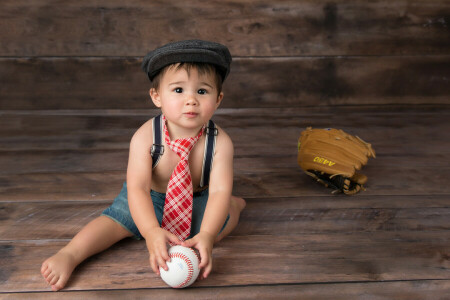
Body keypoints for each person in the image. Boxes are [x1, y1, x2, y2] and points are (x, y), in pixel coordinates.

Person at [41, 40, 246, 291]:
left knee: (221, 217)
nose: (191, 100)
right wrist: (150, 230)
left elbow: (218, 192)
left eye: (202, 92)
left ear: (218, 99)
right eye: (178, 90)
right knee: (116, 220)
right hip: (149, 197)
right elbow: (137, 187)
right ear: (156, 96)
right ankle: (71, 254)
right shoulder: (146, 137)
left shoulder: (220, 143)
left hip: (197, 197)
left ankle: (234, 207)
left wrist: (207, 236)